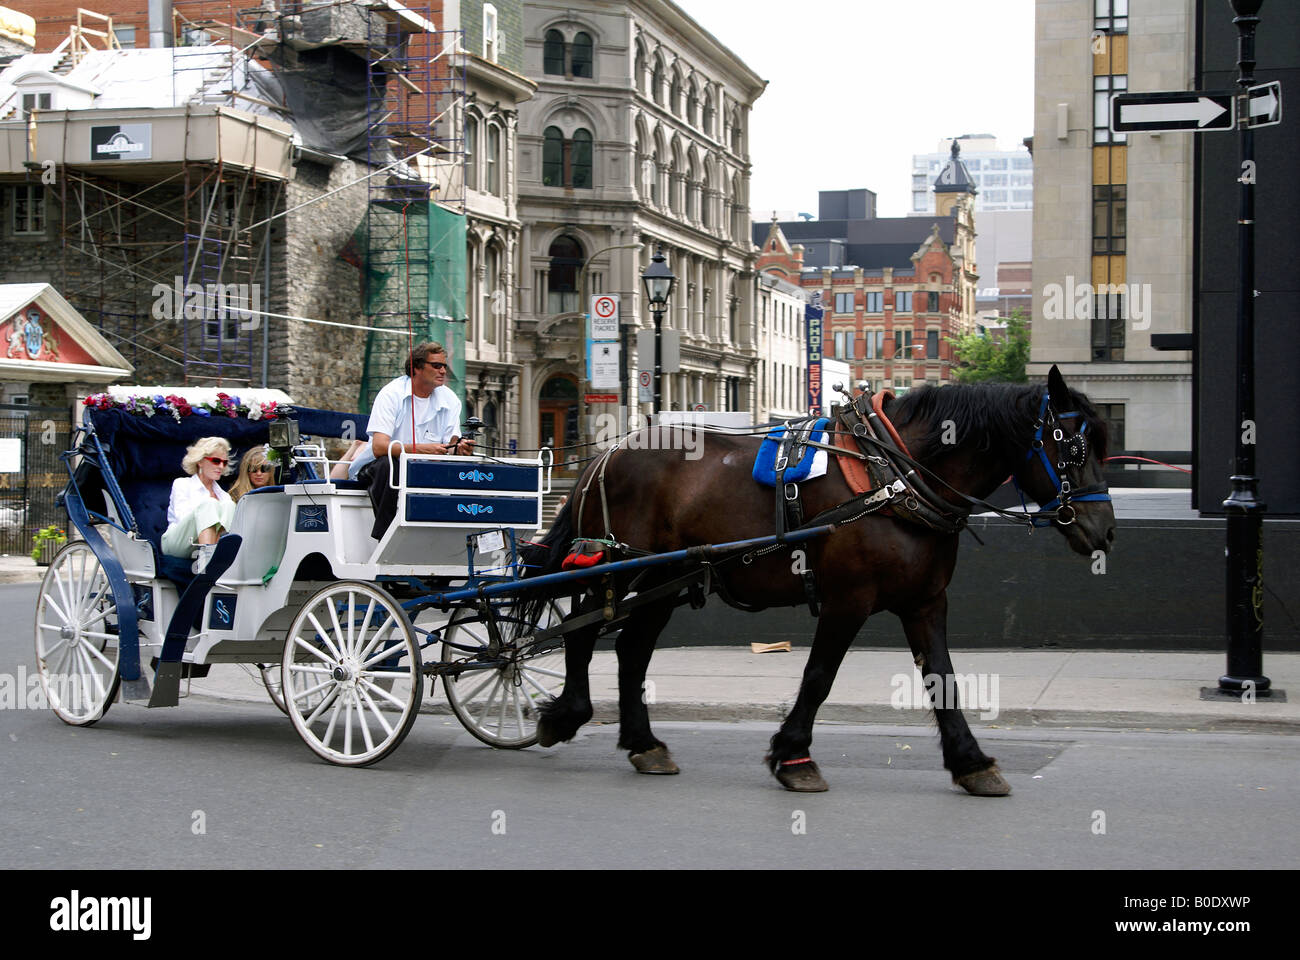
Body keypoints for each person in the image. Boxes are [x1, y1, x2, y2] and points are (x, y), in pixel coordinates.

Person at [350, 341, 474, 538]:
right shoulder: (392, 394)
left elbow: (450, 444)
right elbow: (379, 448)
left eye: (444, 366)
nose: (443, 371)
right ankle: (387, 536)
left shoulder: (450, 400)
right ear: (416, 367)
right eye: (436, 366)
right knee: (389, 465)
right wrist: (422, 449)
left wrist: (459, 448)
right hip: (378, 468)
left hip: (423, 468)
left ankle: (451, 534)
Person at [161, 437, 236, 557]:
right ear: (200, 462)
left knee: (229, 505)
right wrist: (209, 512)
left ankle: (214, 557)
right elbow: (182, 518)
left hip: (209, 544)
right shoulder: (182, 484)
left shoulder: (224, 496)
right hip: (177, 543)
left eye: (224, 462)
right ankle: (207, 559)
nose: (221, 466)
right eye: (216, 461)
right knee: (210, 503)